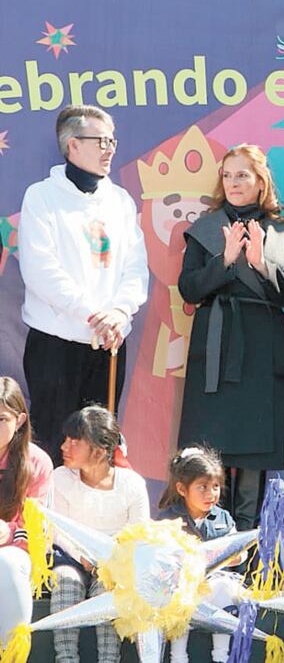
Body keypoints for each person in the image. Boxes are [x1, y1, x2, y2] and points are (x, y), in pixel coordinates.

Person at [177, 143, 284, 531]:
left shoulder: (282, 232)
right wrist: (225, 262)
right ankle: (210, 548)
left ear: (261, 181)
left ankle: (247, 558)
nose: (234, 183)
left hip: (261, 355)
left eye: (243, 175)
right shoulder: (206, 228)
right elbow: (189, 289)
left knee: (253, 458)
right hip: (215, 352)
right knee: (210, 455)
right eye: (228, 175)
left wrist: (262, 266)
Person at [18, 104, 149, 463]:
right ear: (72, 145)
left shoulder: (119, 201)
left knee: (99, 449)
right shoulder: (42, 197)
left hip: (108, 342)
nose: (109, 148)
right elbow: (41, 270)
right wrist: (93, 314)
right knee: (55, 447)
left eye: (112, 140)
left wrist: (120, 312)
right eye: (101, 140)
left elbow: (136, 267)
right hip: (56, 344)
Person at [50, 405, 149, 663]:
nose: (64, 446)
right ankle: (66, 659)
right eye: (66, 439)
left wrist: (110, 560)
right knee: (66, 583)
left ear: (99, 450)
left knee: (107, 592)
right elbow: (56, 530)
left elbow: (139, 533)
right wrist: (81, 555)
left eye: (74, 441)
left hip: (115, 564)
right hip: (71, 558)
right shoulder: (60, 477)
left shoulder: (132, 484)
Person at [158, 446, 246, 663]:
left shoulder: (223, 518)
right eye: (202, 487)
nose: (211, 494)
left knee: (225, 590)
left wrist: (236, 557)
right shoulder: (169, 517)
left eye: (215, 487)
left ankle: (221, 656)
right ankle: (178, 656)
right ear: (181, 489)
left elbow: (239, 551)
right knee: (179, 597)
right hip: (182, 584)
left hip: (214, 584)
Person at [0, 377, 53, 648]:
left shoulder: (37, 462)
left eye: (1, 419)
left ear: (19, 420)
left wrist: (8, 531)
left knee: (6, 563)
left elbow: (37, 529)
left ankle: (10, 652)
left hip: (16, 550)